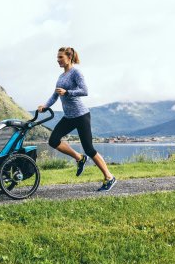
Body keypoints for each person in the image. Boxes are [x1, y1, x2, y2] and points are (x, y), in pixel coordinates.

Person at [37, 47, 116, 191]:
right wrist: (45, 105)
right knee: (53, 140)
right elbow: (55, 95)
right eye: (57, 57)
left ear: (69, 57)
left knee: (89, 149)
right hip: (68, 117)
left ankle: (109, 177)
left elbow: (84, 91)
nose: (58, 60)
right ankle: (79, 158)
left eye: (60, 57)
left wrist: (67, 92)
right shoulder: (61, 77)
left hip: (81, 115)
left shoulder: (76, 72)